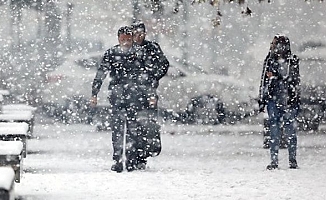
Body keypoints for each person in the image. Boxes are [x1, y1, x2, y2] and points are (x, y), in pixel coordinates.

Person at [90, 26, 148, 173]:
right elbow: (101, 73)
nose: (126, 42)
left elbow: (147, 76)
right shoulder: (112, 53)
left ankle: (130, 159)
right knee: (118, 129)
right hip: (118, 96)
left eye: (128, 39)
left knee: (133, 129)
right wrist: (94, 93)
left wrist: (148, 94)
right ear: (118, 39)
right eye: (123, 39)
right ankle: (118, 159)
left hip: (134, 96)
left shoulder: (139, 53)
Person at [131, 21, 170, 169]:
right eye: (136, 34)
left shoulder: (152, 48)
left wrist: (153, 77)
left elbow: (164, 64)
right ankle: (134, 153)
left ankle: (144, 153)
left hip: (148, 92)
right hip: (132, 92)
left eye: (141, 34)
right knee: (133, 122)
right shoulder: (128, 49)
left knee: (148, 123)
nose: (138, 37)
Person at [258, 34, 300, 170]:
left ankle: (289, 160)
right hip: (277, 99)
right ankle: (278, 160)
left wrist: (274, 77)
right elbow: (265, 80)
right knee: (277, 130)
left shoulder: (290, 61)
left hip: (286, 100)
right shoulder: (270, 60)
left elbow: (291, 79)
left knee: (285, 131)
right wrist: (263, 99)